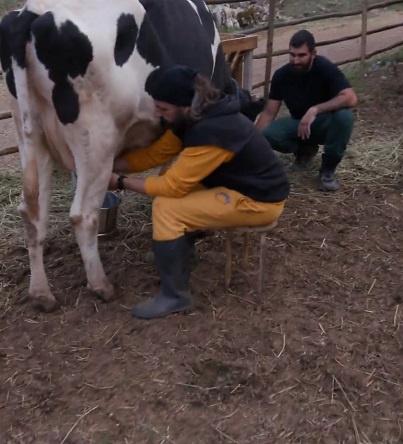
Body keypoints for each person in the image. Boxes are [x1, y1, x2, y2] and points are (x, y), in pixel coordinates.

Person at [109, 64, 290, 320]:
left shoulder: (213, 130)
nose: (158, 115)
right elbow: (155, 154)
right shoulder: (193, 116)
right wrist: (110, 164)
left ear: (183, 104)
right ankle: (179, 253)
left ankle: (175, 295)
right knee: (166, 185)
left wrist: (120, 182)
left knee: (166, 206)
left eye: (163, 109)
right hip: (235, 185)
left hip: (258, 200)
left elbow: (173, 186)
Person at [256, 29, 359, 192]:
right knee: (268, 134)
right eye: (292, 55)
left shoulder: (324, 67)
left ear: (313, 54)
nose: (295, 60)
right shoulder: (281, 75)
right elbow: (269, 113)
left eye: (301, 55)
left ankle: (327, 172)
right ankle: (305, 150)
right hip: (299, 124)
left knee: (345, 116)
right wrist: (252, 143)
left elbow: (351, 98)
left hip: (324, 123)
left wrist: (315, 109)